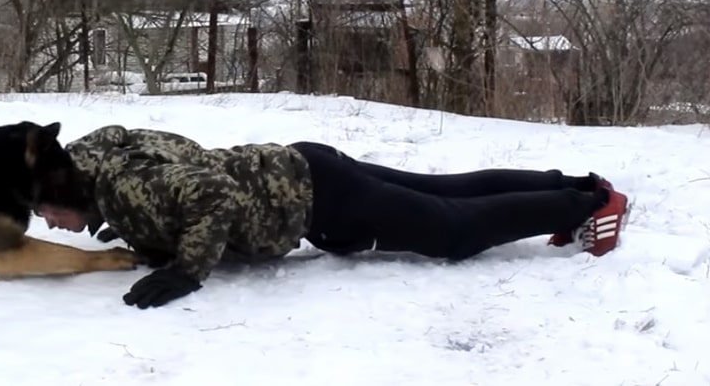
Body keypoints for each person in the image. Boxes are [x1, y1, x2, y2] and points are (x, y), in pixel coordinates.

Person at [34, 125, 630, 310]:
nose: (51, 223)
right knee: (446, 191)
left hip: (316, 199)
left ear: (63, 188)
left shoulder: (123, 183)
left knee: (453, 231)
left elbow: (210, 193)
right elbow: (173, 151)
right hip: (304, 165)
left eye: (47, 211)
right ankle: (571, 185)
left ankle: (588, 205)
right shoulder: (103, 155)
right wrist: (147, 223)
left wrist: (188, 269)